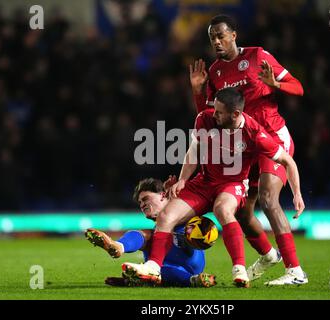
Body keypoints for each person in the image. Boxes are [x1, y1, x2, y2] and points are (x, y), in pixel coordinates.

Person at [122, 88, 305, 288]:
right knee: (166, 216)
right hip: (204, 182)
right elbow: (194, 151)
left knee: (223, 209)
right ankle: (153, 267)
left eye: (219, 111)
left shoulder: (255, 133)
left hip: (232, 185)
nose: (214, 114)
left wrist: (297, 194)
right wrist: (183, 179)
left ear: (235, 114)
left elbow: (288, 161)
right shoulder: (205, 119)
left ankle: (239, 270)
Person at [189, 14, 307, 285]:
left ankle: (295, 272)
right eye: (212, 38)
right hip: (244, 146)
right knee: (243, 212)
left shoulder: (257, 56)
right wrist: (197, 91)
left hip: (271, 138)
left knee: (268, 198)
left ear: (234, 35)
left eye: (221, 35)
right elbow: (210, 118)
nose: (216, 42)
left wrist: (276, 84)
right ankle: (268, 255)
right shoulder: (216, 71)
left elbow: (298, 87)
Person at [85, 177, 217, 288]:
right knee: (146, 236)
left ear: (163, 195)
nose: (142, 205)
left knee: (150, 236)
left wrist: (178, 196)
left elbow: (201, 209)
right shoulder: (157, 230)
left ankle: (190, 279)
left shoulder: (184, 213)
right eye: (140, 202)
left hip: (188, 264)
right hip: (163, 269)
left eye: (146, 199)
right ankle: (118, 247)